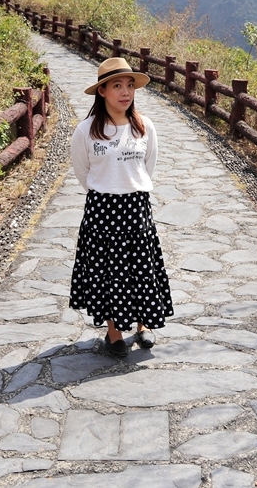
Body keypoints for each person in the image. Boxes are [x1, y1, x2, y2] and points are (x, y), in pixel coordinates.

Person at [69, 57, 174, 357]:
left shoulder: (144, 127)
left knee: (142, 268)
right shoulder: (87, 130)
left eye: (129, 85)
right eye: (117, 86)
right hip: (102, 210)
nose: (125, 92)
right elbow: (82, 171)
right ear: (102, 91)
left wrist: (128, 190)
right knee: (108, 272)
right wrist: (108, 190)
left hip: (136, 208)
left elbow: (147, 168)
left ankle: (143, 325)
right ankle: (113, 332)